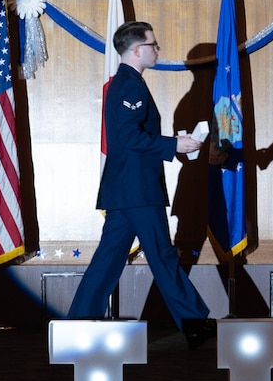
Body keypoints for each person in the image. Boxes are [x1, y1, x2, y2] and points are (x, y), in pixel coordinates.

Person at [66, 22, 217, 348]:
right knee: (161, 254)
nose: (157, 49)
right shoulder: (130, 86)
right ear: (137, 50)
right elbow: (128, 137)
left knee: (109, 259)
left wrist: (172, 143)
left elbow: (131, 136)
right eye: (153, 44)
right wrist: (172, 146)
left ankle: (77, 325)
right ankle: (193, 323)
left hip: (127, 190)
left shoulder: (125, 83)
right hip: (137, 190)